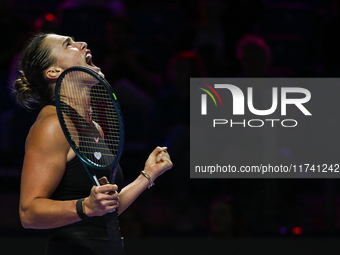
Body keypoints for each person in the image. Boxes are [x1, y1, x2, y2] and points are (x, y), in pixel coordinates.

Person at [13, 33, 173, 254]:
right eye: (68, 44)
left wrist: (146, 176)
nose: (82, 44)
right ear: (53, 72)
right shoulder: (52, 125)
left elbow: (104, 210)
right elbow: (29, 213)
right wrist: (85, 206)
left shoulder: (94, 128)